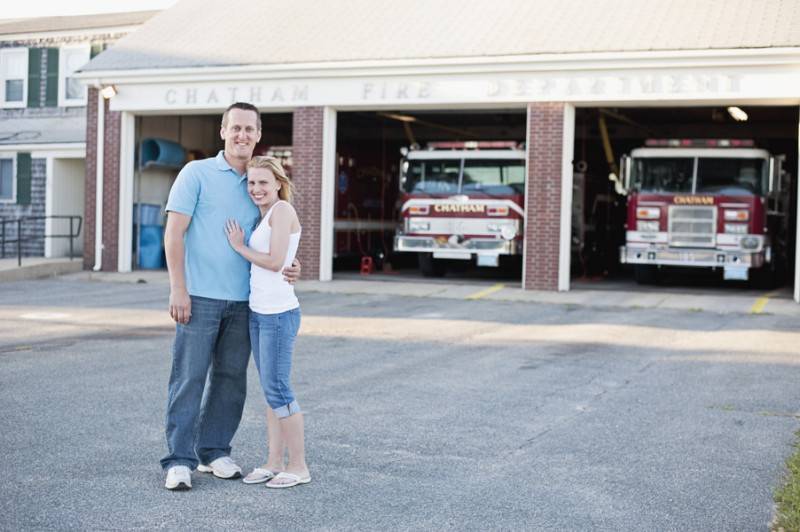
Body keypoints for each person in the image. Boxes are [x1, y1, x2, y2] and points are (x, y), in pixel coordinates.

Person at [161, 102, 300, 491]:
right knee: (188, 378)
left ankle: (214, 451)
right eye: (235, 127)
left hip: (246, 303)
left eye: (249, 129)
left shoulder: (260, 182)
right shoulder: (196, 173)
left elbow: (277, 235)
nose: (242, 135)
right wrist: (178, 287)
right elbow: (174, 234)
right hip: (199, 296)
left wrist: (292, 263)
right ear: (223, 131)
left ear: (258, 134)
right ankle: (179, 460)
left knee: (230, 379)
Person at [225, 156, 310, 489]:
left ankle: (299, 465)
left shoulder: (282, 210)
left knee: (279, 390)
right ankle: (274, 462)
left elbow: (275, 262)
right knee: (271, 393)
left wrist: (239, 246)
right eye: (251, 183)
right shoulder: (264, 216)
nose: (256, 188)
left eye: (263, 182)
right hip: (260, 312)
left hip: (278, 314)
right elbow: (284, 258)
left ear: (278, 183)